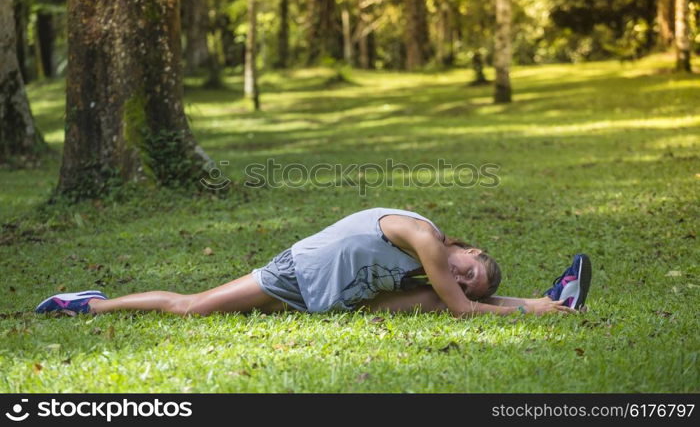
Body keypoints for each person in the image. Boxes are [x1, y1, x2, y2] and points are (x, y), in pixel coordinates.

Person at [35, 207, 591, 318]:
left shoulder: (427, 269)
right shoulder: (423, 236)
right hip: (295, 276)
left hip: (335, 299)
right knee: (191, 309)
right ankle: (92, 303)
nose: (469, 278)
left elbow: (458, 300)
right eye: (472, 269)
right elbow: (466, 309)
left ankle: (555, 297)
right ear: (466, 249)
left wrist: (472, 298)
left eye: (475, 282)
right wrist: (471, 301)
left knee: (435, 301)